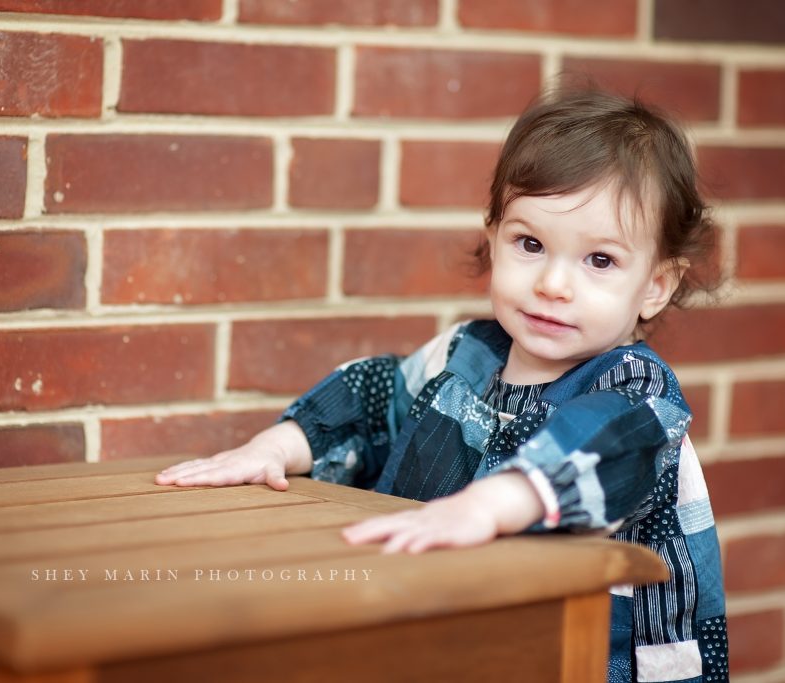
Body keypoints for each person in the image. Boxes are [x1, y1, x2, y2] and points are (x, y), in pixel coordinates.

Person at [156, 88, 728, 683]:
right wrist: (274, 447)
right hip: (453, 640)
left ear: (657, 284)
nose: (554, 283)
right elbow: (375, 402)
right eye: (530, 244)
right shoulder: (467, 357)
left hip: (584, 659)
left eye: (600, 261)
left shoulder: (637, 393)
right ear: (494, 235)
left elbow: (595, 450)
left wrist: (487, 506)